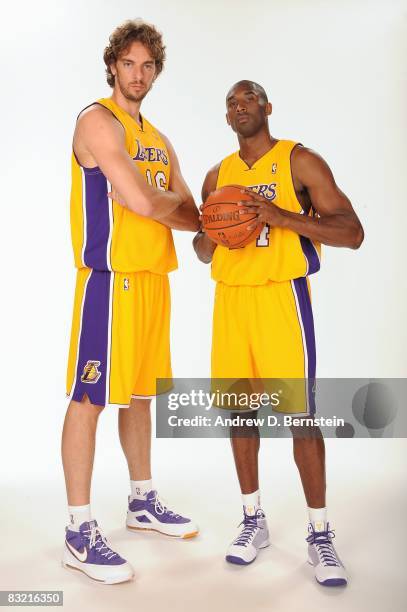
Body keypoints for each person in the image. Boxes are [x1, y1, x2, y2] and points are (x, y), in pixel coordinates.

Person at [193, 80, 364, 586]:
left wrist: (279, 216)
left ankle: (320, 535)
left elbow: (352, 232)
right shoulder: (215, 176)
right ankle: (252, 521)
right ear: (226, 117)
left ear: (267, 107)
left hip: (281, 300)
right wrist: (220, 231)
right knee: (239, 415)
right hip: (231, 302)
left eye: (248, 97)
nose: (238, 105)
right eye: (230, 101)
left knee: (300, 417)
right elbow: (203, 251)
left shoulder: (299, 162)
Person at [62, 19, 200, 584]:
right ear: (113, 65)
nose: (138, 74)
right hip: (109, 282)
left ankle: (141, 500)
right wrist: (153, 198)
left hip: (153, 281)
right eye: (129, 64)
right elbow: (145, 201)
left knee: (141, 397)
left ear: (156, 72)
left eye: (148, 66)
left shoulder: (158, 140)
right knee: (90, 398)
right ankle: (77, 530)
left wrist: (154, 198)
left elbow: (191, 214)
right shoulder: (98, 121)